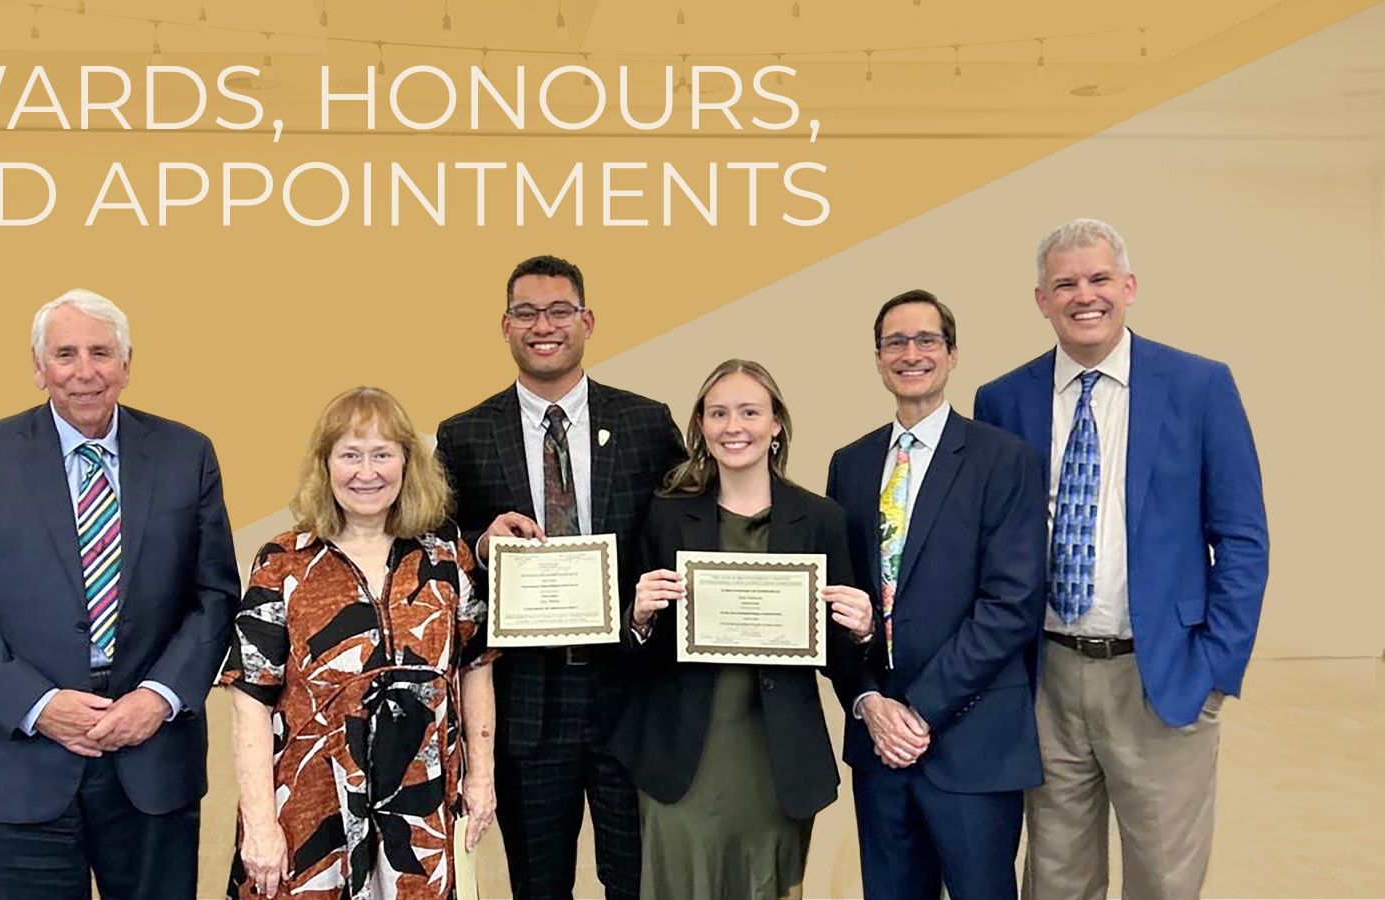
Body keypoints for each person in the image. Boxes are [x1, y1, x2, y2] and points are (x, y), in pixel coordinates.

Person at [973, 219, 1269, 900]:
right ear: (1041, 299)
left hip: (1161, 677)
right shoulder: (1003, 400)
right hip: (1047, 675)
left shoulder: (1200, 386)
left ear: (1129, 287)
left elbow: (1243, 537)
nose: (1085, 295)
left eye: (1100, 278)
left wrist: (1215, 671)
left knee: (1164, 879)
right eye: (1065, 283)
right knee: (1054, 879)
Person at [0, 288, 239, 899]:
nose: (85, 371)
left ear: (127, 363)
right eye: (65, 354)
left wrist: (158, 697)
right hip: (20, 759)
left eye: (101, 352)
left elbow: (215, 595)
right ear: (39, 368)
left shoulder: (185, 453)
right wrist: (39, 704)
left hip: (151, 756)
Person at [435, 254, 686, 899]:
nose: (542, 325)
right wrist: (479, 545)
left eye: (558, 311)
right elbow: (430, 552)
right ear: (505, 326)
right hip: (525, 705)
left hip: (630, 694)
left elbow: (692, 529)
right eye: (526, 312)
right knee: (538, 888)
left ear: (587, 321)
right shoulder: (464, 435)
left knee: (637, 883)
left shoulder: (646, 423)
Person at [220, 386, 498, 900]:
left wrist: (482, 778)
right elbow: (250, 699)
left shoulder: (445, 557)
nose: (365, 473)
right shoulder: (282, 561)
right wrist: (260, 823)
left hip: (422, 809)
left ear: (406, 464)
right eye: (349, 455)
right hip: (308, 808)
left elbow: (475, 666)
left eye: (381, 454)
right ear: (324, 466)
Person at [610, 359, 873, 900]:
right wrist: (636, 619)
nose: (735, 427)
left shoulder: (821, 519)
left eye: (750, 412)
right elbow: (638, 660)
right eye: (719, 413)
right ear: (702, 428)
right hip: (681, 757)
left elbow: (839, 660)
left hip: (775, 762)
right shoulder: (665, 515)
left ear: (776, 424)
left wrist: (863, 631)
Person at [825, 290, 1046, 900]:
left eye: (926, 340)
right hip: (879, 744)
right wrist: (870, 701)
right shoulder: (852, 463)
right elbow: (839, 600)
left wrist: (917, 711)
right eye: (895, 342)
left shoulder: (1004, 460)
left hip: (973, 743)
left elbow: (1012, 604)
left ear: (951, 355)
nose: (911, 353)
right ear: (877, 359)